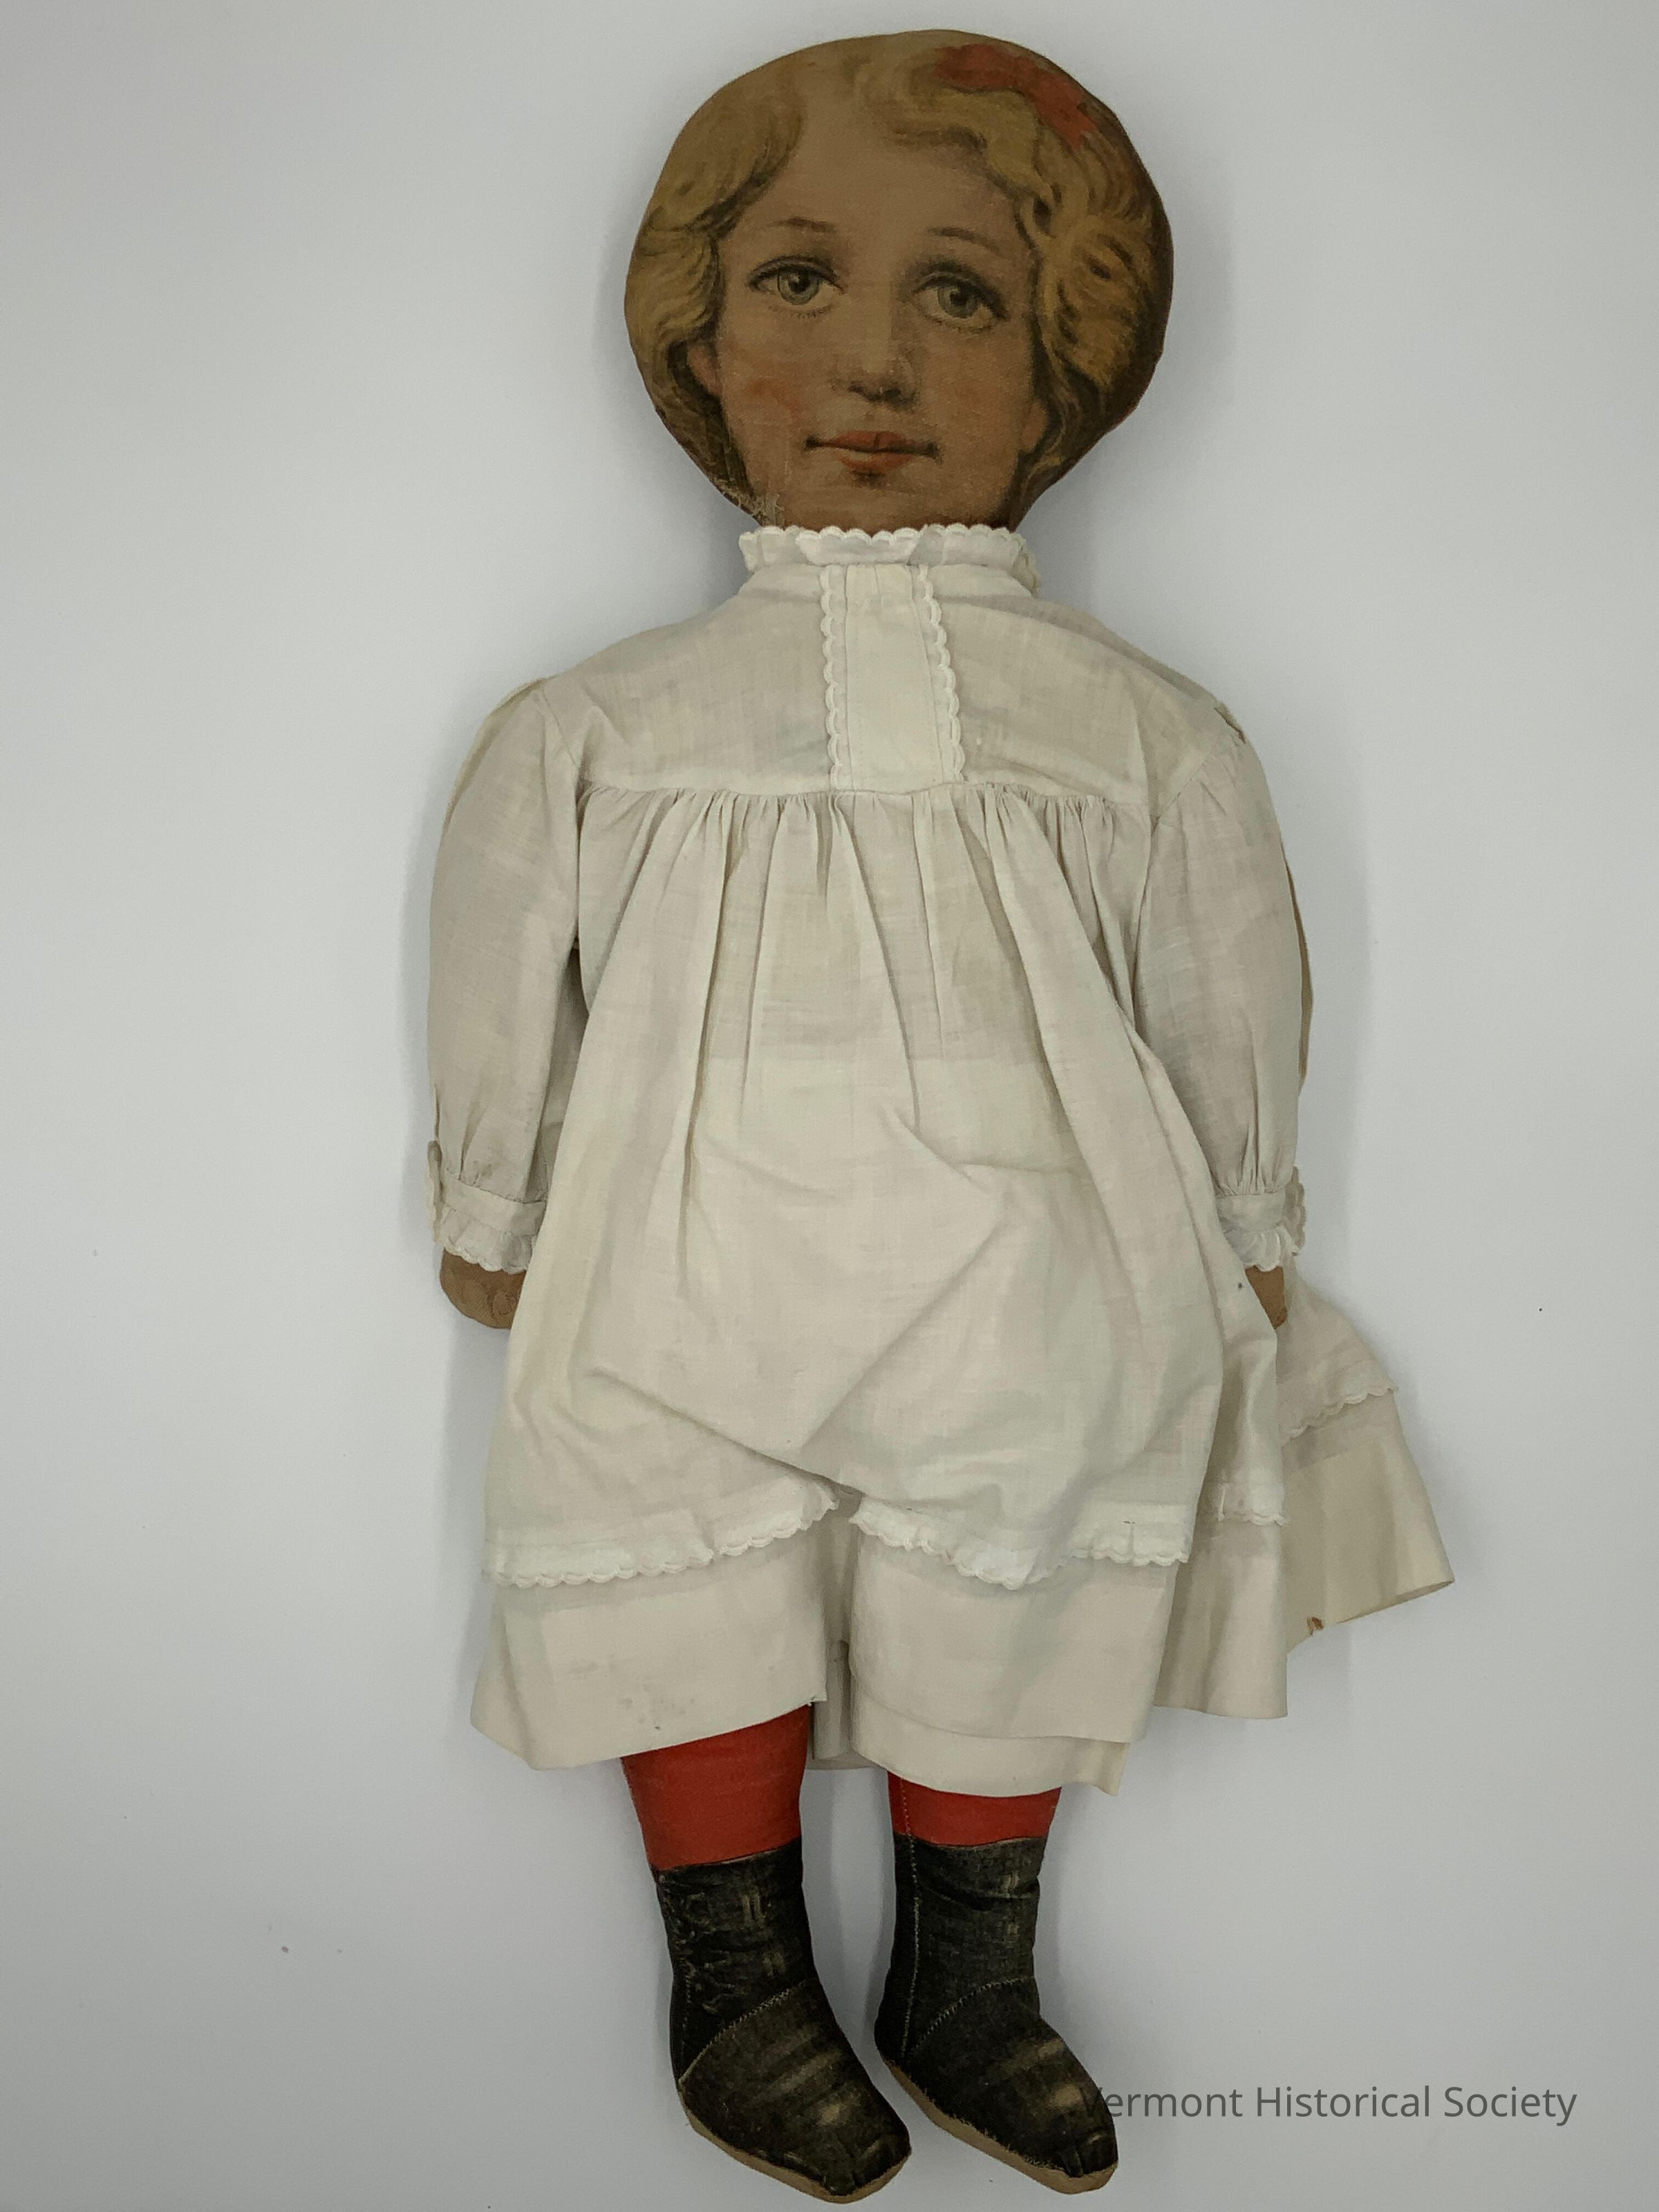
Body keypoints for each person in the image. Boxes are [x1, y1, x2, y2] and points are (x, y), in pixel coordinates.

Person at [424, 31, 1452, 2200]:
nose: (875, 358)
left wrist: (1247, 1216)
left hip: (1038, 1262)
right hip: (676, 1255)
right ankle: (736, 1977)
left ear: (1066, 363)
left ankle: (968, 1974)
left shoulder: (1146, 733)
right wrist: (496, 1203)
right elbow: (499, 959)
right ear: (701, 341)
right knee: (679, 1539)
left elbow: (1233, 986)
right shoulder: (600, 724)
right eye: (800, 279)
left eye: (962, 294)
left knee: (1023, 1538)